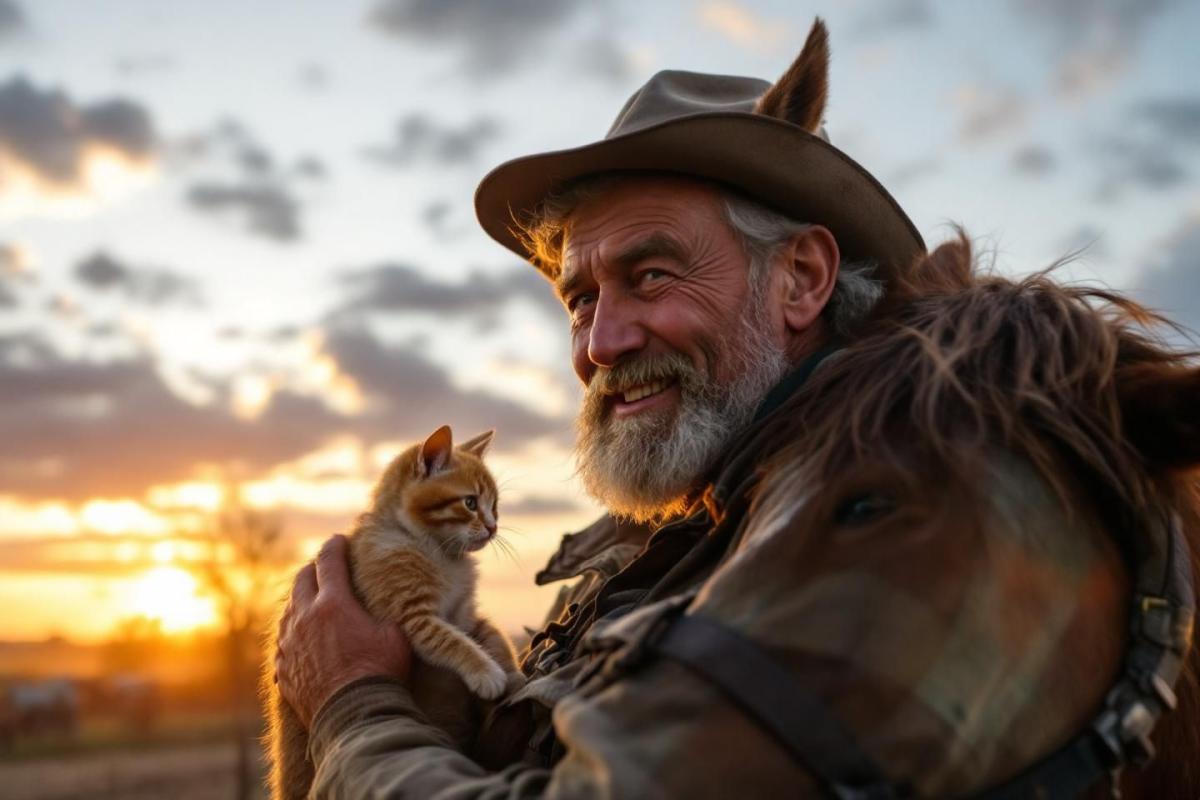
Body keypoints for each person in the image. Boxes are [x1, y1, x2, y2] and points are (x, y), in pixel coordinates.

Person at [273, 19, 1125, 797]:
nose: (601, 344)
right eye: (579, 300)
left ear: (801, 280)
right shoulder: (679, 530)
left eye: (651, 276)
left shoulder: (886, 529)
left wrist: (354, 702)